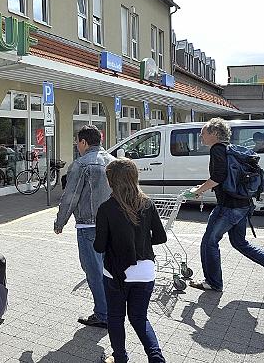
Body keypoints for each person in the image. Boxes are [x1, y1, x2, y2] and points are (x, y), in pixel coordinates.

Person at [188, 118, 264, 298]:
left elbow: (218, 177)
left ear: (214, 134)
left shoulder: (218, 149)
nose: (201, 136)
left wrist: (198, 191)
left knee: (209, 242)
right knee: (241, 244)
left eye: (203, 132)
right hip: (242, 205)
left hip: (229, 207)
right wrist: (202, 189)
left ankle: (213, 282)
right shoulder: (231, 149)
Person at [95, 159, 167, 363]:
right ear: (135, 178)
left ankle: (119, 358)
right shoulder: (147, 203)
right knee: (139, 318)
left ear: (110, 181)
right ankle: (156, 358)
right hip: (145, 272)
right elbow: (161, 237)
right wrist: (141, 244)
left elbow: (99, 247)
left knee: (116, 318)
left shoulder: (106, 208)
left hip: (116, 273)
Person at [53, 125, 114, 328]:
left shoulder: (81, 164)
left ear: (84, 142)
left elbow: (70, 198)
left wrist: (60, 222)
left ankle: (103, 314)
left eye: (77, 142)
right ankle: (112, 310)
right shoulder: (113, 162)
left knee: (94, 271)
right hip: (111, 225)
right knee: (108, 270)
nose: (76, 146)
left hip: (89, 227)